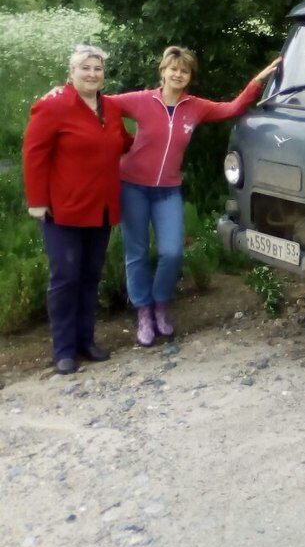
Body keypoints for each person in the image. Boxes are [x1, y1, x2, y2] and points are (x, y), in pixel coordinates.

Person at [107, 46, 281, 346]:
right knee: (135, 253)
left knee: (172, 252)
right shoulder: (140, 100)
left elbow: (232, 108)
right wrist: (68, 95)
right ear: (162, 71)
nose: (177, 74)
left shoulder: (195, 107)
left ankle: (161, 306)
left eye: (184, 70)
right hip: (132, 186)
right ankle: (144, 313)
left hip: (167, 191)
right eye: (172, 69)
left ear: (190, 76)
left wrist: (258, 81)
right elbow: (102, 104)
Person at [23, 45, 133, 374]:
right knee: (65, 278)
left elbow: (125, 142)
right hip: (63, 210)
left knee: (89, 277)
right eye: (85, 68)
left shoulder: (110, 108)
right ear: (71, 72)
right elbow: (34, 155)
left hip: (100, 209)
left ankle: (86, 341)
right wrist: (37, 202)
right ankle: (64, 350)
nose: (92, 74)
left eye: (97, 68)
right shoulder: (53, 105)